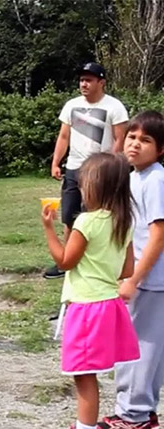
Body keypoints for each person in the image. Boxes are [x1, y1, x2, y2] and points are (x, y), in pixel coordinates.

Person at [42, 152, 139, 429]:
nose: (82, 189)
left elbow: (64, 261)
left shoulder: (86, 222)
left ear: (98, 187)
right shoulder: (123, 222)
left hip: (87, 309)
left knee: (83, 375)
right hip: (110, 304)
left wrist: (48, 228)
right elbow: (127, 270)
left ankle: (85, 427)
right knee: (90, 372)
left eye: (85, 183)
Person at [99, 111, 164, 429]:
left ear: (160, 149)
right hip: (139, 278)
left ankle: (133, 415)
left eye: (146, 140)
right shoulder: (134, 176)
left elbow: (159, 235)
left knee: (139, 346)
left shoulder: (156, 179)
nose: (135, 144)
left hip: (151, 280)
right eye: (132, 137)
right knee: (137, 343)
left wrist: (135, 278)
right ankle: (141, 411)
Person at [45, 62, 129, 280]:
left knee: (98, 216)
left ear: (101, 82)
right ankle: (67, 260)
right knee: (70, 216)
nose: (84, 84)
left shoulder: (114, 107)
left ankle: (97, 258)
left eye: (89, 80)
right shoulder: (71, 105)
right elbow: (64, 136)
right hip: (74, 168)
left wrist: (109, 166)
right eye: (82, 80)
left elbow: (120, 139)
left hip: (100, 172)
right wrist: (56, 162)